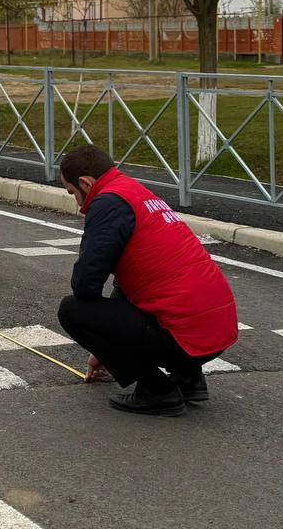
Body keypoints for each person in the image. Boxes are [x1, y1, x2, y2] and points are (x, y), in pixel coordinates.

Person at [56, 144, 238, 417]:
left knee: (72, 310)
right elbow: (128, 284)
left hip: (188, 338)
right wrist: (105, 350)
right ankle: (189, 379)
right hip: (217, 331)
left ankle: (157, 391)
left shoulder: (106, 203)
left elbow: (85, 285)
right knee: (161, 291)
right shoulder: (133, 191)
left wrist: (106, 344)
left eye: (73, 193)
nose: (79, 203)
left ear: (85, 183)